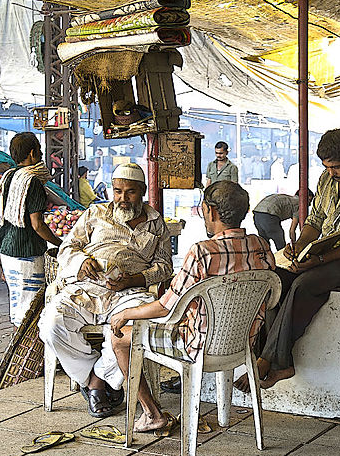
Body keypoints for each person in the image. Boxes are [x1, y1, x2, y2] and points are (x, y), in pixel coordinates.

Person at [108, 180, 275, 432]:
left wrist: (125, 314)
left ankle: (152, 414)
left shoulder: (203, 252)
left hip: (195, 345)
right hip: (242, 344)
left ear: (212, 212)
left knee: (119, 338)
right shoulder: (262, 246)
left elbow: (166, 308)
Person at [235, 128, 340, 392]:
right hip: (324, 256)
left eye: (337, 166)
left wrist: (318, 260)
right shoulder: (326, 180)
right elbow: (315, 222)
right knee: (277, 281)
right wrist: (298, 246)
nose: (332, 172)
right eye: (328, 167)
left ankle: (267, 360)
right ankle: (274, 360)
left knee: (303, 284)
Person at [38, 162, 173, 419]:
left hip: (129, 293)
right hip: (87, 288)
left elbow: (164, 266)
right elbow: (67, 248)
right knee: (51, 324)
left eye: (130, 192)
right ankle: (93, 378)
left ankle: (98, 383)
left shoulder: (156, 224)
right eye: (117, 191)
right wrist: (81, 261)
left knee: (132, 330)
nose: (123, 198)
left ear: (142, 191)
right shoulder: (95, 213)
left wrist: (134, 279)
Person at [0, 133, 64, 329]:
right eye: (39, 151)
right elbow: (37, 224)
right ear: (32, 153)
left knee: (17, 303)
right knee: (30, 306)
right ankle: (26, 350)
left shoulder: (7, 177)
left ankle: (18, 346)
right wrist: (60, 244)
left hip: (7, 251)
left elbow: (1, 218)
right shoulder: (31, 181)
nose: (41, 155)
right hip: (27, 251)